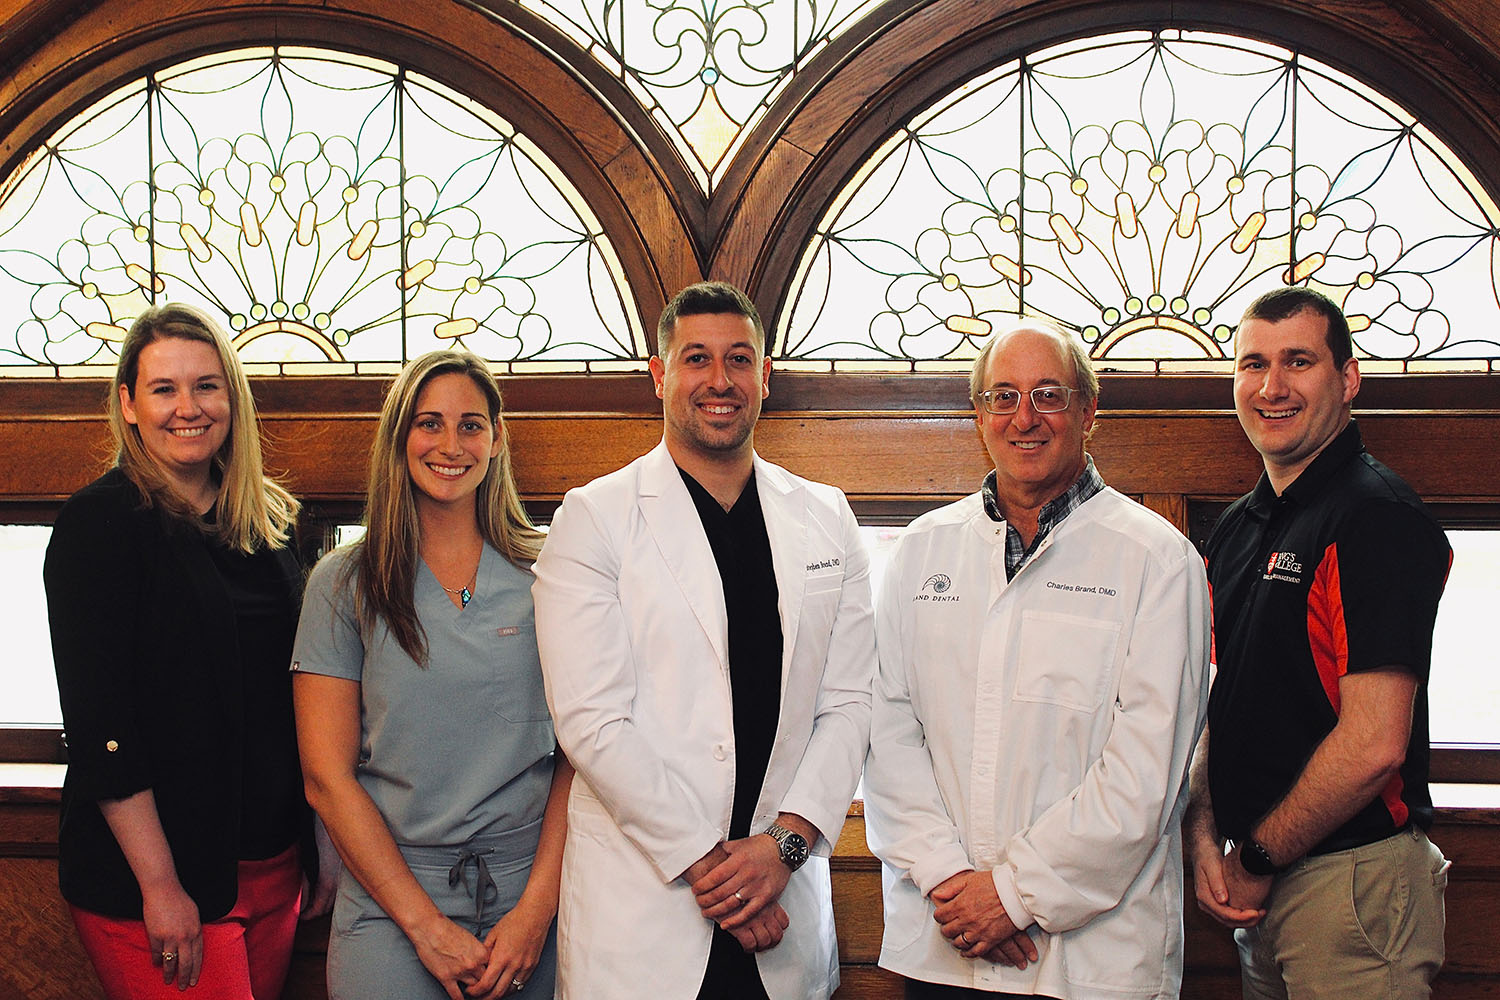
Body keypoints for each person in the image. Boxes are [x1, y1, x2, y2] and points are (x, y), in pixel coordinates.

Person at [531, 281, 874, 1000]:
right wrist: (714, 871)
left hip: (782, 910)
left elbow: (850, 704)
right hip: (645, 920)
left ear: (765, 376)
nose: (720, 380)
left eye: (739, 359)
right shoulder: (593, 518)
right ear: (660, 376)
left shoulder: (826, 517)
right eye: (696, 359)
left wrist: (782, 850)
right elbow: (592, 722)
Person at [863, 322, 1211, 999]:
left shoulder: (1158, 561)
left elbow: (1144, 774)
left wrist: (1013, 895)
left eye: (1048, 395)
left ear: (1088, 411)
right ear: (979, 415)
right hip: (946, 940)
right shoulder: (920, 551)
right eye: (1003, 396)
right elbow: (886, 732)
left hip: (1094, 963)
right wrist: (949, 880)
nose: (1024, 417)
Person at [44, 302, 335, 999]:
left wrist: (321, 843)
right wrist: (161, 885)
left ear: (231, 397)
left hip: (273, 866)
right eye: (164, 389)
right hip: (157, 879)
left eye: (206, 385)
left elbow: (304, 695)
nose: (188, 407)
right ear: (129, 404)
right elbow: (100, 726)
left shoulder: (275, 524)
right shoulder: (99, 524)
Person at [1185, 287, 1451, 999]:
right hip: (1264, 886)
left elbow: (1374, 746)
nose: (1271, 387)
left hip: (1353, 884)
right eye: (1252, 364)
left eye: (1297, 361)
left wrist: (1257, 856)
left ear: (1348, 378)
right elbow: (1227, 703)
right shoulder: (1239, 529)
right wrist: (1206, 833)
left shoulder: (1377, 519)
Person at [293, 350, 572, 1000]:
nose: (451, 444)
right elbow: (326, 779)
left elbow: (580, 755)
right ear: (399, 437)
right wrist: (424, 928)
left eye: (471, 425)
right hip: (392, 906)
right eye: (429, 423)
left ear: (497, 438)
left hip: (532, 900)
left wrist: (535, 913)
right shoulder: (344, 582)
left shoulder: (553, 571)